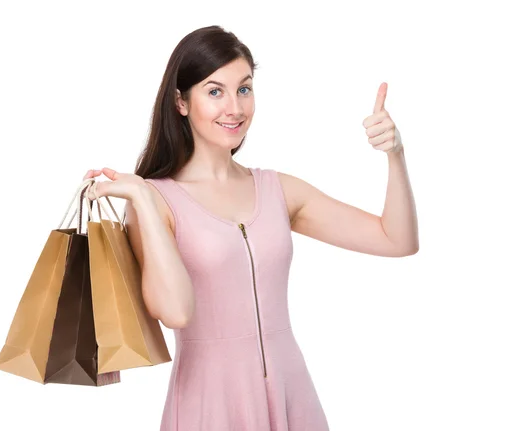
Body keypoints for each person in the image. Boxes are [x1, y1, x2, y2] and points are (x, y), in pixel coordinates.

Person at [83, 25, 418, 431]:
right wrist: (144, 201)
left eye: (244, 89)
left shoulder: (278, 190)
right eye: (214, 91)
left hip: (291, 393)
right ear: (181, 102)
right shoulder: (155, 201)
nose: (235, 108)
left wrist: (395, 155)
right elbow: (174, 311)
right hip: (210, 404)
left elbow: (397, 240)